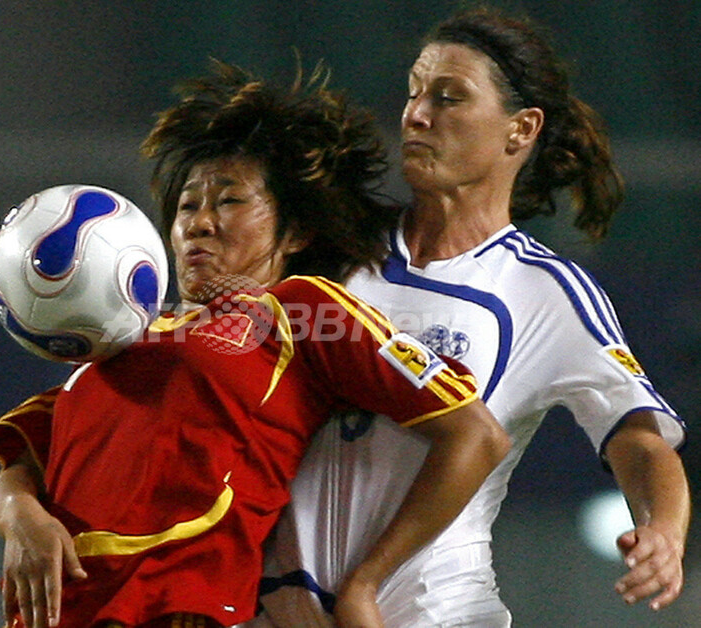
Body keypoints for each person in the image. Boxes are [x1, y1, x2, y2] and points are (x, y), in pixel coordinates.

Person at [0, 60, 511, 628]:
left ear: (295, 231)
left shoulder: (300, 312)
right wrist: (20, 517)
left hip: (180, 613)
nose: (199, 223)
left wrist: (367, 581)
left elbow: (476, 435)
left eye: (229, 201)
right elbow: (19, 465)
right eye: (187, 206)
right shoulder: (118, 338)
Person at [254, 6, 690, 627]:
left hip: (438, 614)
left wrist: (663, 531)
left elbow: (639, 437)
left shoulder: (541, 290)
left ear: (520, 129)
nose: (416, 114)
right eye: (413, 93)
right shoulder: (334, 252)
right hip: (286, 613)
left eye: (449, 97)